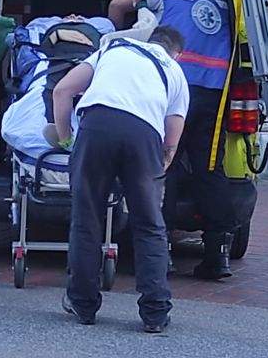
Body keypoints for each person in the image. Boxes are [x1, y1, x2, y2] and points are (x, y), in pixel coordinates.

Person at [107, 0, 235, 280]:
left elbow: (118, 5)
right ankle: (217, 256)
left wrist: (115, 41)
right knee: (210, 170)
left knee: (166, 166)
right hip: (214, 93)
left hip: (173, 87)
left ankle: (159, 253)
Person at [54, 27, 189, 332]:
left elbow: (62, 91)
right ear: (177, 54)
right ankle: (155, 313)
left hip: (97, 125)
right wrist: (161, 165)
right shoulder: (175, 72)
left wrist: (66, 141)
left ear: (148, 41)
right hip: (144, 135)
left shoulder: (114, 49)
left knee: (87, 218)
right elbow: (172, 135)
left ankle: (83, 304)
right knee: (150, 225)